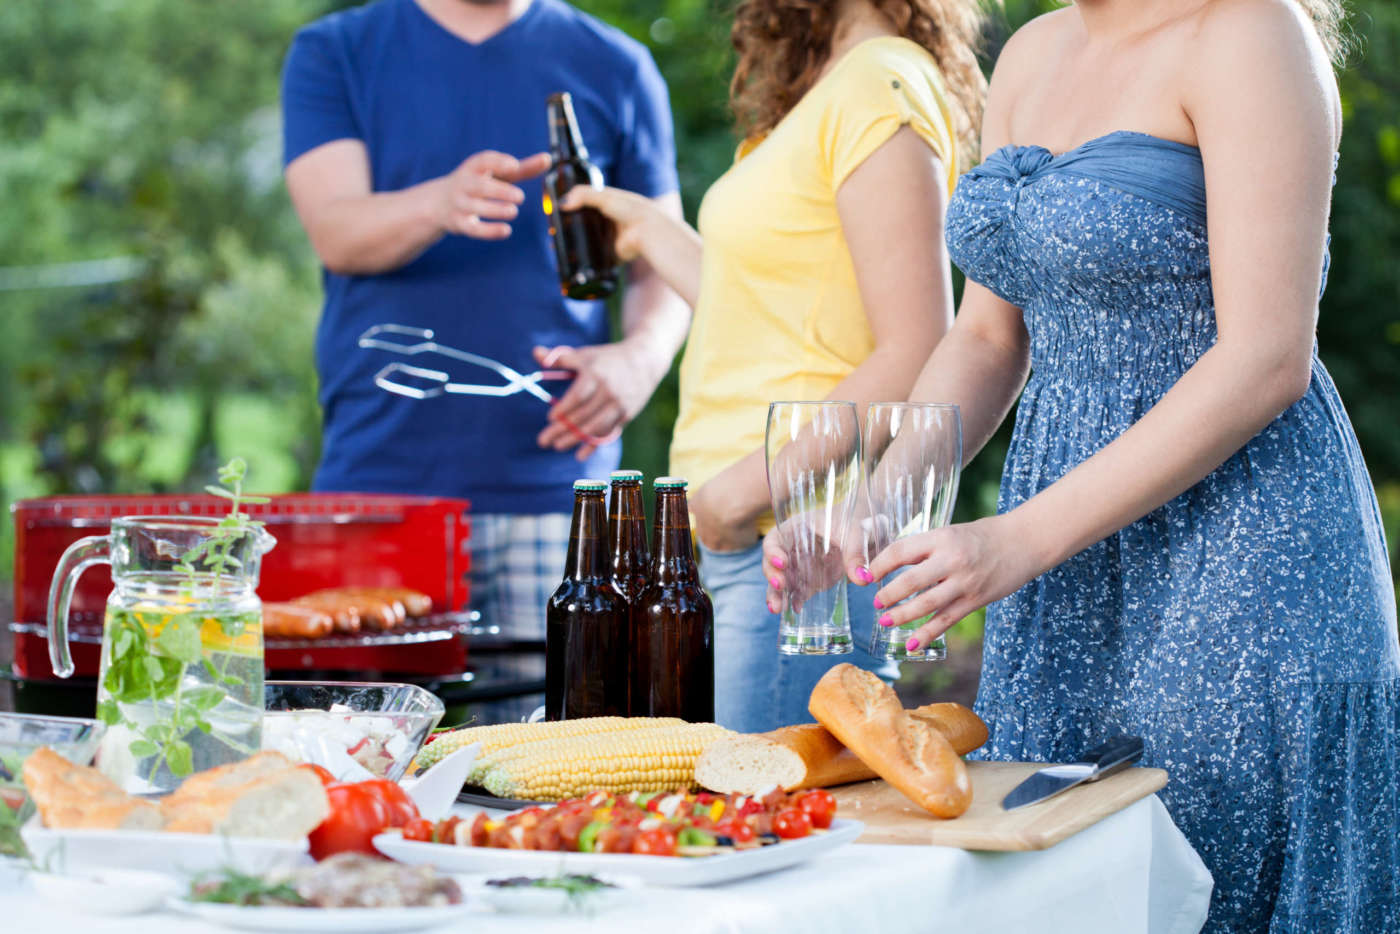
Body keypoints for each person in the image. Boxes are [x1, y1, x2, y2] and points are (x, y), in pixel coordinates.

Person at [765, 0, 1398, 928]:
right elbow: (987, 336)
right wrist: (876, 508)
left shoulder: (1250, 31)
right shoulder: (1031, 51)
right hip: (1063, 583)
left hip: (1240, 565)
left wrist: (1015, 540)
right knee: (1064, 889)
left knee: (1210, 885)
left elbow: (1267, 357)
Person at [565, 0, 987, 732]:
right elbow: (763, 314)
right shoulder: (825, 92)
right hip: (737, 540)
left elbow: (918, 345)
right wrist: (653, 233)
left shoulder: (876, 82)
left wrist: (738, 495)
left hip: (792, 548)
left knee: (760, 827)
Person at [280, 0, 690, 638]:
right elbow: (334, 230)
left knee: (563, 734)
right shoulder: (335, 50)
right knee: (372, 731)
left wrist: (641, 358)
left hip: (565, 494)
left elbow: (663, 258)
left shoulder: (617, 64)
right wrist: (438, 203)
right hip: (384, 487)